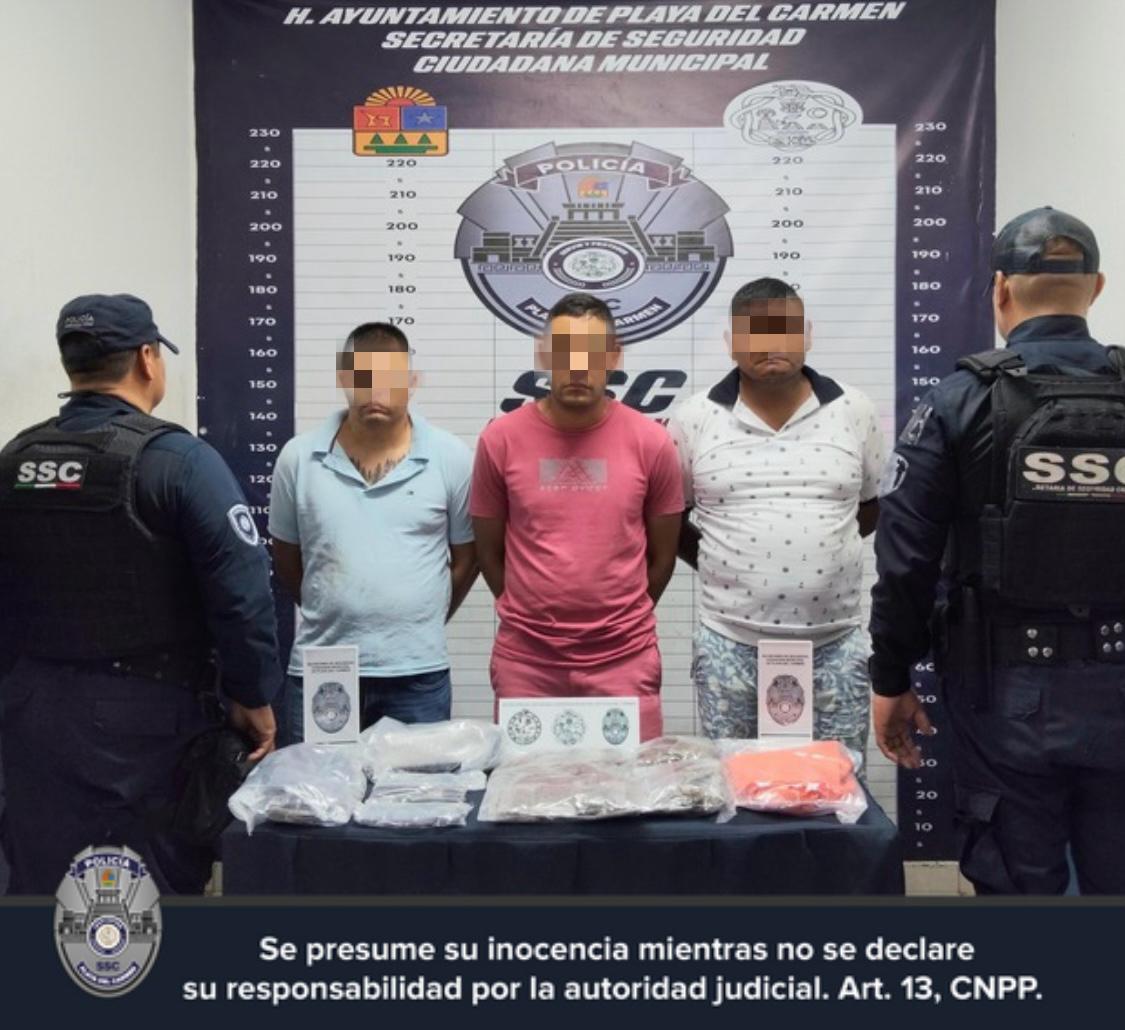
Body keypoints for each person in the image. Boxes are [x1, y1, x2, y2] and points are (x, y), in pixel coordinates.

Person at [869, 206, 1125, 894]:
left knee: (1017, 891)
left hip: (1008, 696)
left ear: (1000, 289)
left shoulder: (960, 401)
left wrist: (890, 680)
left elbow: (904, 561)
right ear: (1097, 287)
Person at [0, 293, 282, 894]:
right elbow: (241, 593)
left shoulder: (16, 460)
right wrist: (253, 695)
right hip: (146, 723)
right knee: (141, 893)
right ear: (147, 359)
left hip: (33, 714)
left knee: (44, 885)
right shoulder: (178, 462)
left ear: (71, 364)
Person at [667, 278, 885, 759]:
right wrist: (729, 565)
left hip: (835, 643)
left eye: (784, 329)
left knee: (836, 785)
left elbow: (871, 506)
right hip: (729, 643)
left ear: (807, 335)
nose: (771, 343)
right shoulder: (694, 418)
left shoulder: (854, 410)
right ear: (731, 342)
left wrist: (820, 551)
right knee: (736, 787)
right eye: (755, 332)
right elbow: (672, 521)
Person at [470, 293, 683, 740]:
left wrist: (616, 622)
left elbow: (663, 557)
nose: (578, 366)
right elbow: (488, 552)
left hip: (624, 659)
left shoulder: (652, 442)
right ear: (543, 354)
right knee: (527, 784)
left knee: (632, 784)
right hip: (527, 663)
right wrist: (532, 614)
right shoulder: (499, 440)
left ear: (614, 356)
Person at [269, 322, 477, 743]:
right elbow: (287, 558)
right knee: (317, 785)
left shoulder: (451, 457)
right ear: (344, 379)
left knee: (416, 786)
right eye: (363, 378)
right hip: (324, 669)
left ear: (412, 382)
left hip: (417, 674)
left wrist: (420, 618)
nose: (375, 391)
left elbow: (468, 558)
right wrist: (333, 609)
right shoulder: (298, 458)